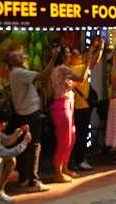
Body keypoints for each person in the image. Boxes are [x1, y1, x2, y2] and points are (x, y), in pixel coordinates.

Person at [7, 47, 59, 193]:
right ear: (13, 61)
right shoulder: (20, 73)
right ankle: (33, 181)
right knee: (34, 146)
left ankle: (24, 178)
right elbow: (44, 75)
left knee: (25, 146)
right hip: (30, 114)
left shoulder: (15, 73)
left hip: (22, 114)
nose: (22, 55)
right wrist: (53, 58)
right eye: (18, 55)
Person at [50, 46, 91, 182]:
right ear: (62, 56)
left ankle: (64, 168)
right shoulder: (62, 69)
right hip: (62, 106)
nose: (69, 55)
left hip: (67, 105)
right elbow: (80, 79)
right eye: (67, 53)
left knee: (71, 138)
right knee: (64, 139)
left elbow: (71, 84)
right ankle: (58, 172)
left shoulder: (61, 71)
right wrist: (88, 63)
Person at [70, 38, 104, 171]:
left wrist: (99, 48)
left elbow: (94, 61)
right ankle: (79, 159)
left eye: (78, 54)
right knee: (80, 135)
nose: (79, 56)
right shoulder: (71, 69)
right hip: (78, 107)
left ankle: (79, 159)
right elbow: (92, 61)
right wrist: (93, 51)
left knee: (82, 134)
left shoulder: (80, 66)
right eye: (75, 55)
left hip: (83, 106)